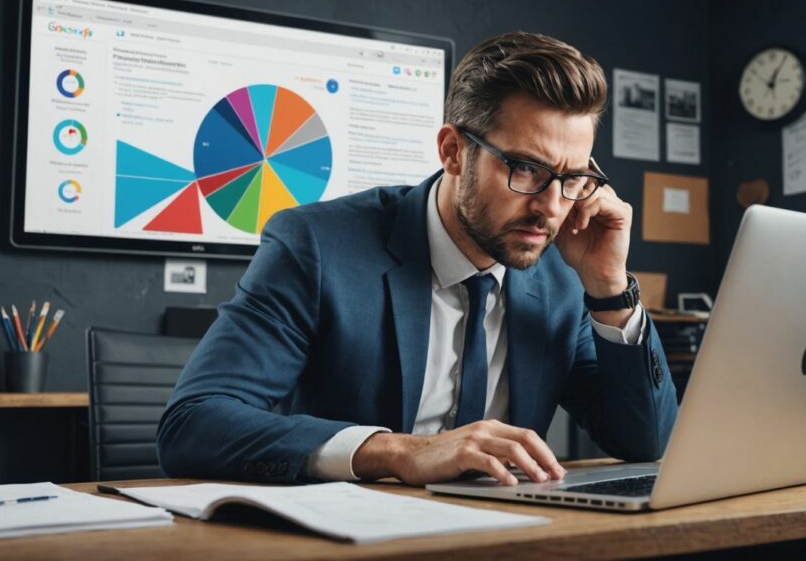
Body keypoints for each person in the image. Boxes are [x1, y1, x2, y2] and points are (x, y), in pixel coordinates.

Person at [157, 31, 678, 487]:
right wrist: (402, 452)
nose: (549, 206)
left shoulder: (563, 278)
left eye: (572, 179)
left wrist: (610, 286)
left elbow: (646, 442)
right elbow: (193, 423)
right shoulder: (317, 246)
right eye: (525, 168)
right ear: (453, 152)